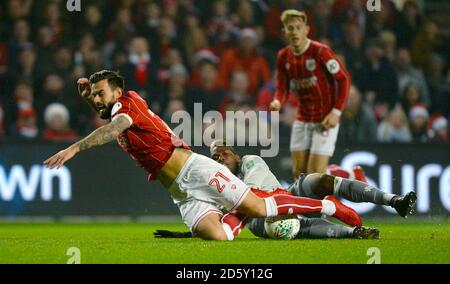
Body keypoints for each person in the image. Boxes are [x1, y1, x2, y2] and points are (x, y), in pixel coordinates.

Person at [43, 70, 361, 241]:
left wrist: (73, 147)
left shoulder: (127, 105)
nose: (97, 98)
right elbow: (107, 119)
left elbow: (114, 128)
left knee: (263, 206)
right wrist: (89, 101)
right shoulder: (114, 107)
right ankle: (241, 209)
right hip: (178, 190)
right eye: (94, 94)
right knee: (219, 236)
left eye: (101, 93)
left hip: (194, 169)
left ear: (117, 91)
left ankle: (328, 205)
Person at [154, 140, 417, 240]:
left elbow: (256, 195)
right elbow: (213, 220)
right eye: (215, 157)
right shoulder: (216, 182)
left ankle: (394, 200)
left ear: (234, 153)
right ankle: (355, 233)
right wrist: (188, 234)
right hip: (262, 221)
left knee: (320, 181)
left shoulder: (251, 162)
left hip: (284, 196)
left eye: (223, 153)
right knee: (287, 227)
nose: (220, 159)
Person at [268, 10, 351, 177]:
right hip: (303, 118)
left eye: (299, 27)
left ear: (306, 30)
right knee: (299, 174)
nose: (295, 32)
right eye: (290, 28)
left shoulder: (321, 52)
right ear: (284, 32)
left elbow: (344, 79)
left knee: (315, 175)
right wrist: (277, 101)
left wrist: (336, 112)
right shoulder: (283, 56)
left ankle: (346, 175)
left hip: (325, 118)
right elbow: (282, 87)